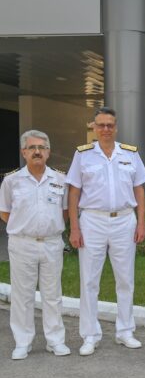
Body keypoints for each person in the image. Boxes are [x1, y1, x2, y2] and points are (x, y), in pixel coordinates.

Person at [66, 107, 145, 356]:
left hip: (124, 220)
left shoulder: (130, 153)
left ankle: (125, 331)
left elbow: (139, 190)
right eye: (101, 125)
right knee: (89, 281)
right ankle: (90, 335)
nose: (105, 129)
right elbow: (74, 193)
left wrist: (142, 222)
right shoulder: (83, 155)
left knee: (125, 279)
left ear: (116, 127)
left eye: (109, 125)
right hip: (92, 221)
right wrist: (74, 227)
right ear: (93, 127)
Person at [0, 130, 70, 360]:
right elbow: (4, 212)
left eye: (41, 147)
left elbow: (65, 212)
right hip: (22, 244)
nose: (37, 152)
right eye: (32, 148)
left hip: (51, 243)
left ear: (48, 152)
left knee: (53, 294)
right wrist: (25, 227)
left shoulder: (60, 179)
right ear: (24, 152)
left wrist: (47, 227)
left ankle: (55, 341)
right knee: (22, 295)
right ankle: (22, 342)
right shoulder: (11, 181)